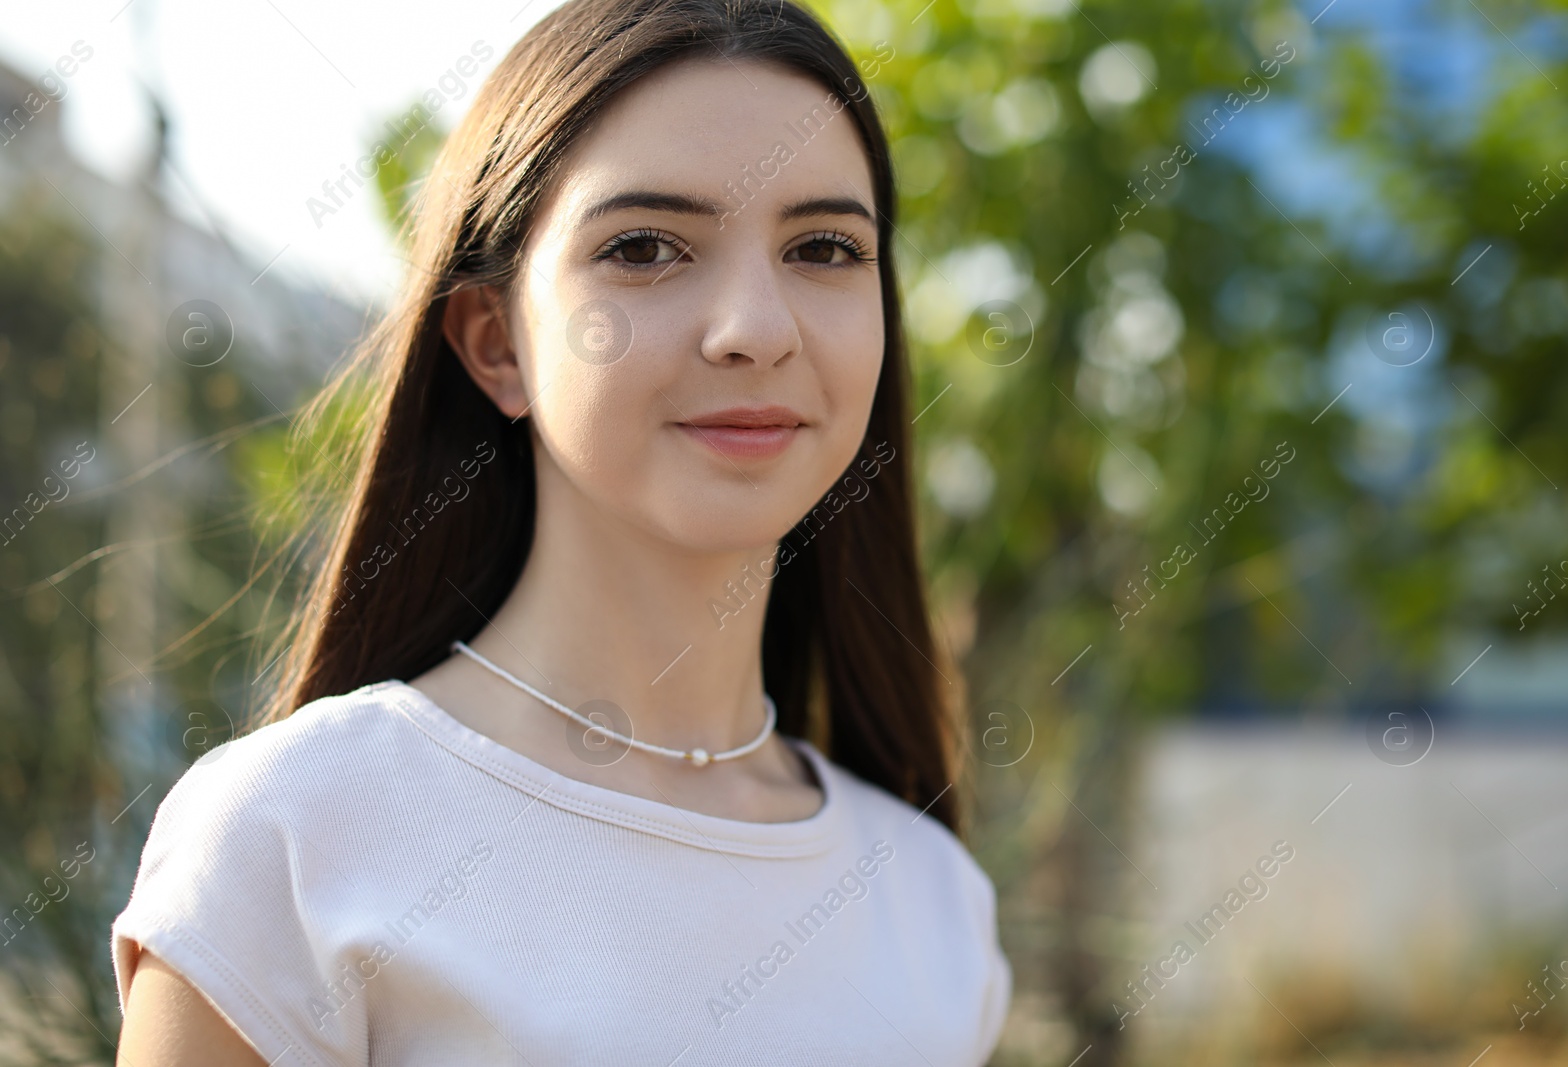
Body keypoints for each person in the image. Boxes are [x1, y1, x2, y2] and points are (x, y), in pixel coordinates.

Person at [112, 0, 1012, 1063]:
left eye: (823, 247)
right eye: (645, 248)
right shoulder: (293, 839)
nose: (757, 329)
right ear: (496, 343)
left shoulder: (930, 897)